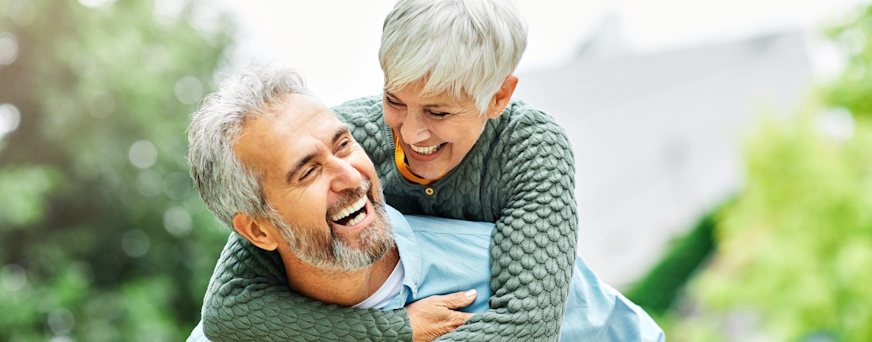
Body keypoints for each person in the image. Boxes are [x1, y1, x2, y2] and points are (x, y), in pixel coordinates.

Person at [186, 65, 664, 342]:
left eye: (345, 145)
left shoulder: (509, 269)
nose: (349, 176)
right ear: (257, 230)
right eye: (308, 170)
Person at [200, 0, 583, 341]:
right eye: (394, 100)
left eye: (439, 111)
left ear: (498, 96)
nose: (411, 133)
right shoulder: (347, 137)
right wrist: (397, 329)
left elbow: (527, 326)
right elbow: (229, 307)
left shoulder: (531, 147)